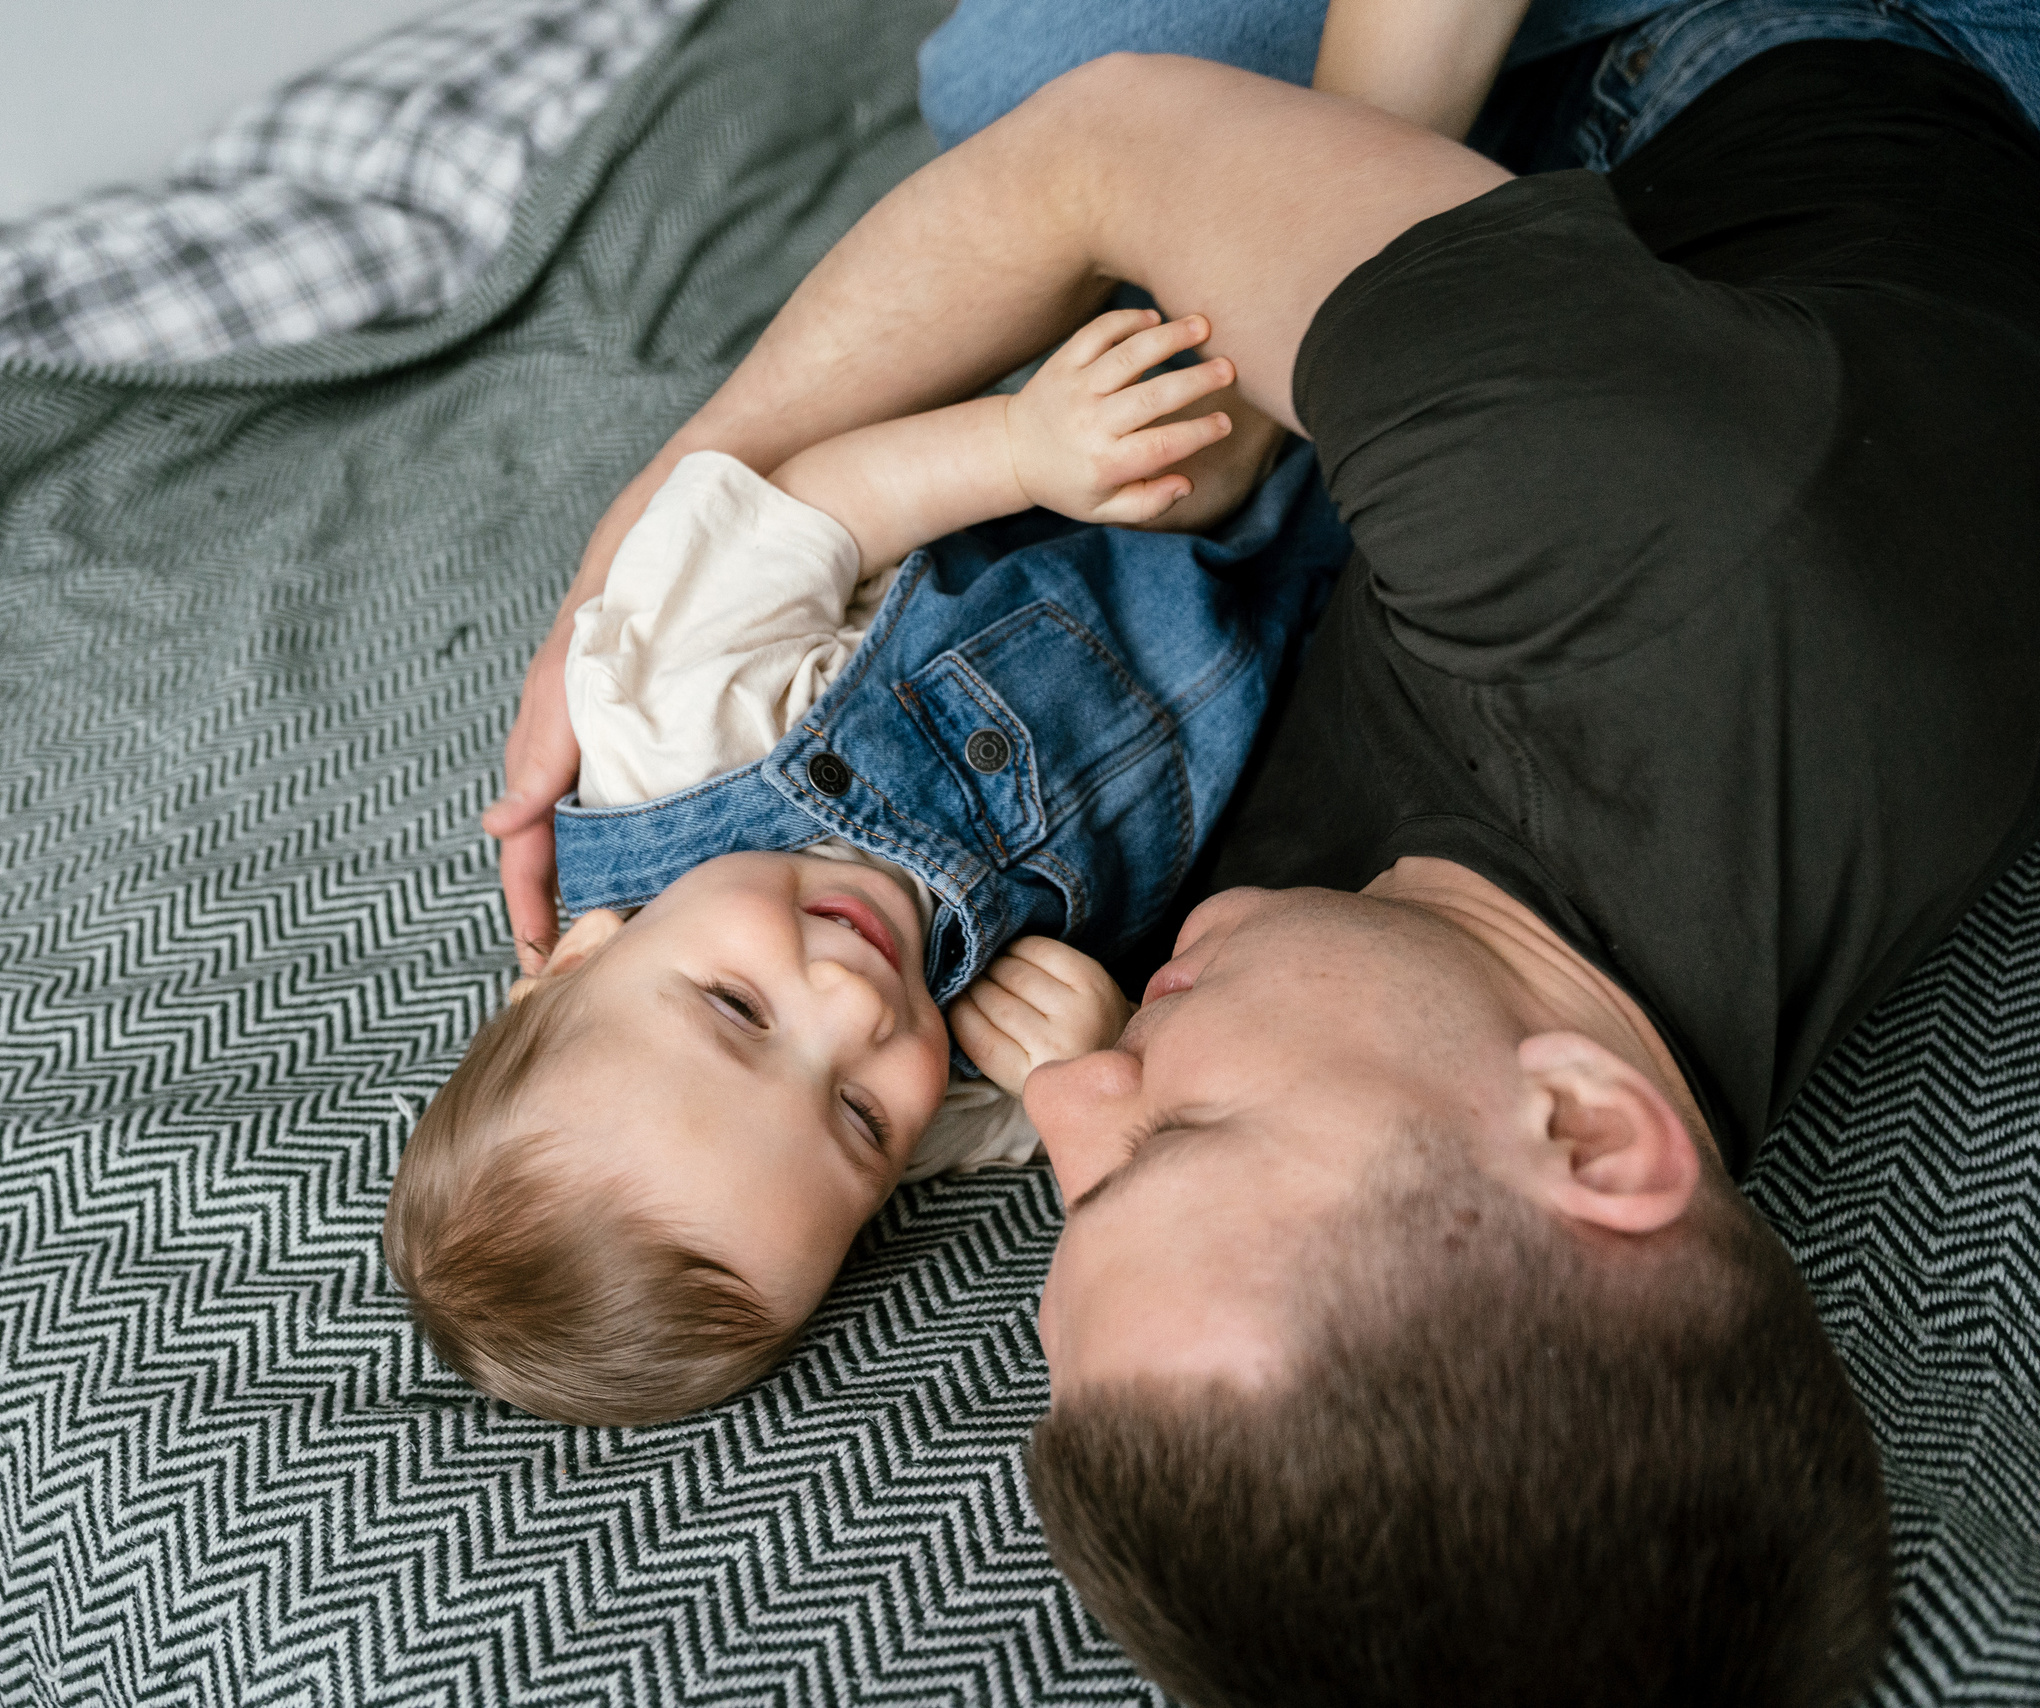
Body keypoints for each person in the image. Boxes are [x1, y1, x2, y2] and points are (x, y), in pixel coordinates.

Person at [482, 0, 2040, 1696]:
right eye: (1171, 1137)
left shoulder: (1427, 992)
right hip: (1783, 71)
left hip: (1625, 225)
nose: (1067, 1093)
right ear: (1587, 1129)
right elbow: (1117, 142)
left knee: (1008, 93)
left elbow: (1120, 158)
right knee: (1015, 84)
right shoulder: (1642, 539)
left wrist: (660, 526)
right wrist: (671, 512)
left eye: (1088, 1186)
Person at [387, 309, 1347, 1425]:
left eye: (738, 1009)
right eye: (857, 1117)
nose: (854, 1008)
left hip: (1127, 445)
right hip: (1313, 612)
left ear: (579, 956)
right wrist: (1098, 1056)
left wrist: (1019, 447)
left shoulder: (672, 723)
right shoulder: (946, 1109)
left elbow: (813, 512)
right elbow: (1057, 1121)